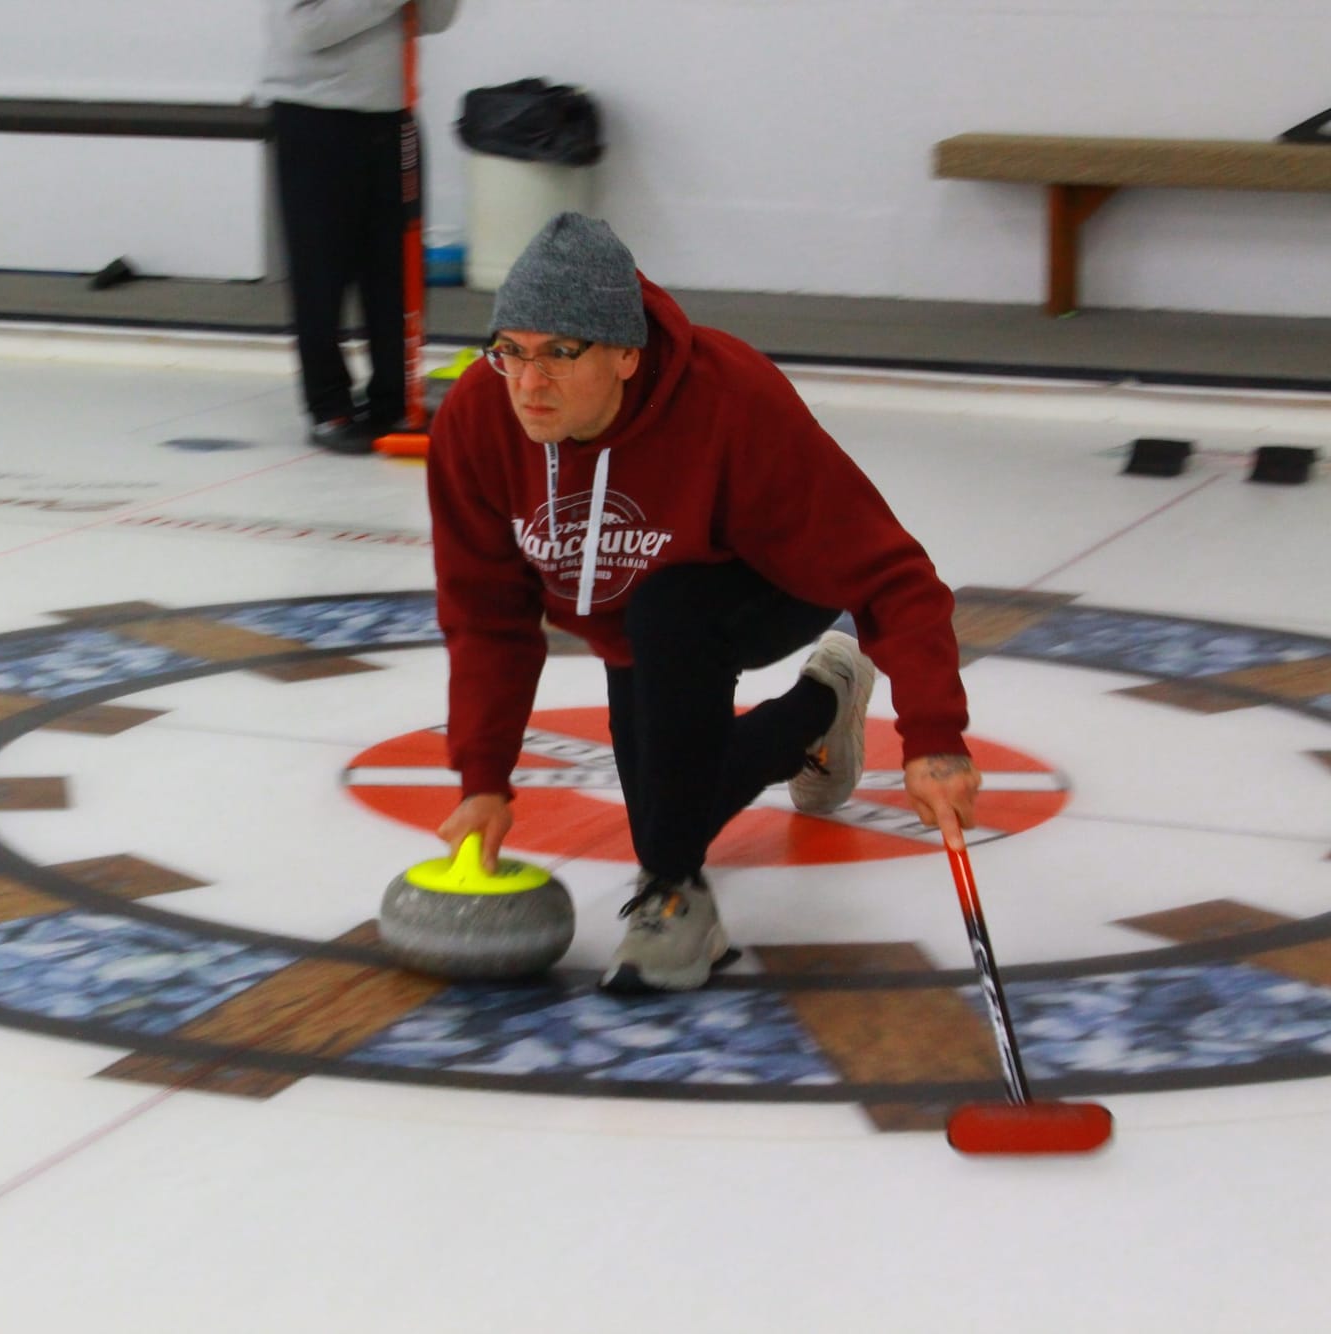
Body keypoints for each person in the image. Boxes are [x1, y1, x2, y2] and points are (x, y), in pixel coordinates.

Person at [425, 212, 983, 993]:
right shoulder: (478, 423)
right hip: (633, 618)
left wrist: (935, 738)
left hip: (762, 590)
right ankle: (819, 708)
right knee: (665, 815)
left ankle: (678, 902)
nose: (528, 383)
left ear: (626, 353)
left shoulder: (730, 401)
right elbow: (485, 615)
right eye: (509, 351)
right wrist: (482, 779)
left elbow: (893, 577)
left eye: (559, 352)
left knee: (669, 626)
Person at [260, 1, 461, 455]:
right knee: (321, 269)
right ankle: (328, 406)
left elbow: (433, 20)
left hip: (393, 117)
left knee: (395, 269)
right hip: (316, 116)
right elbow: (306, 29)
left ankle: (395, 399)